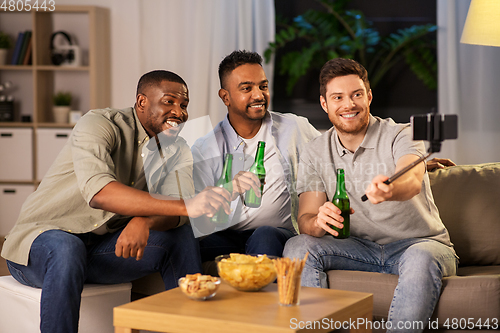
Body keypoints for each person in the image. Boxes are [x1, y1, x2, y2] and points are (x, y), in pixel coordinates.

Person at [1, 70, 231, 333]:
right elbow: (101, 193)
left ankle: (195, 328)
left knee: (180, 234)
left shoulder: (177, 149)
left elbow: (175, 211)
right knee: (67, 247)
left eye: (184, 105)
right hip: (39, 247)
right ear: (142, 102)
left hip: (100, 250)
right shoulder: (100, 123)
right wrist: (187, 205)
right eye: (169, 101)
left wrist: (144, 219)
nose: (179, 112)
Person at [283, 58, 457, 332]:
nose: (348, 104)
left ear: (369, 97)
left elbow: (411, 180)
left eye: (356, 95)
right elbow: (305, 218)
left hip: (420, 244)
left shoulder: (403, 133)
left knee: (420, 256)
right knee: (297, 246)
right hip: (358, 249)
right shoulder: (315, 151)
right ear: (325, 104)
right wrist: (318, 222)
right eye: (338, 97)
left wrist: (390, 189)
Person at [190, 50, 320, 262]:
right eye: (247, 88)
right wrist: (229, 189)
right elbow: (199, 214)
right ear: (225, 97)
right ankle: (192, 291)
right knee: (185, 240)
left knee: (264, 234)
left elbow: (331, 153)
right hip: (226, 235)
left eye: (263, 86)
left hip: (277, 233)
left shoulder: (294, 128)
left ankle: (261, 295)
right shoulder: (205, 148)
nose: (259, 95)